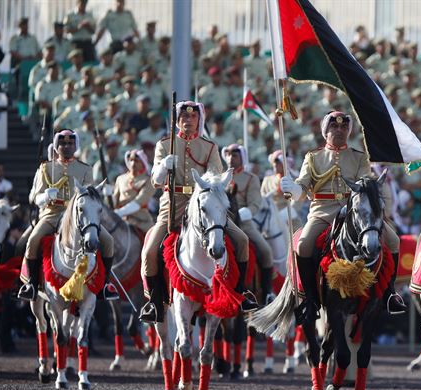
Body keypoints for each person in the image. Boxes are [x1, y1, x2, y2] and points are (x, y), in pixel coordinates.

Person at [279, 111, 404, 323]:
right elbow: (303, 185)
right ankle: (310, 299)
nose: (339, 130)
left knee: (393, 240)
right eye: (334, 127)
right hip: (322, 211)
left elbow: (366, 184)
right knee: (303, 245)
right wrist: (294, 189)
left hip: (354, 213)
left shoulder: (359, 157)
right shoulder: (313, 157)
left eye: (344, 127)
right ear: (325, 132)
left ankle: (389, 294)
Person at [138, 101, 255, 323]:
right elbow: (155, 180)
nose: (188, 120)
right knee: (150, 251)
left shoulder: (209, 147)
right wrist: (164, 167)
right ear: (177, 120)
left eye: (192, 117)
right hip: (172, 206)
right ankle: (154, 302)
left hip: (204, 205)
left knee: (242, 240)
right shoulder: (164, 145)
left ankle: (242, 292)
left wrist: (209, 184)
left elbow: (216, 176)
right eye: (183, 117)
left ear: (199, 120)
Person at [17, 129, 118, 301]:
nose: (66, 146)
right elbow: (33, 197)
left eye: (70, 143)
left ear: (76, 146)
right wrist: (45, 196)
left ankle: (104, 285)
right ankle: (32, 284)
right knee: (32, 241)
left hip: (78, 215)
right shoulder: (46, 168)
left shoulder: (85, 169)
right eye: (63, 143)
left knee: (108, 241)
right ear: (56, 146)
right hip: (52, 213)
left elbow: (90, 195)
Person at [222, 143, 273, 304]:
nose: (231, 158)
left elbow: (255, 202)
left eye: (235, 155)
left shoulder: (250, 179)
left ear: (242, 158)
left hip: (244, 224)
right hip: (221, 223)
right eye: (228, 155)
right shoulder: (219, 178)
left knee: (266, 252)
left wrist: (247, 212)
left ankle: (267, 293)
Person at [112, 149, 155, 233]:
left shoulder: (149, 180)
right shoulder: (120, 178)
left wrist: (121, 212)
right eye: (131, 160)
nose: (133, 163)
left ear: (143, 163)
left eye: (136, 161)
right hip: (120, 219)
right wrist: (108, 194)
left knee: (153, 237)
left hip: (140, 220)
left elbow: (139, 202)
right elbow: (114, 202)